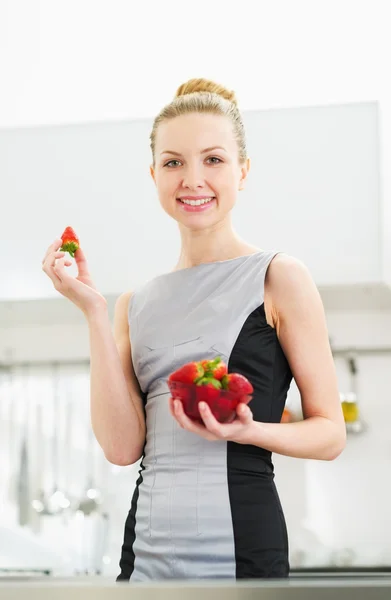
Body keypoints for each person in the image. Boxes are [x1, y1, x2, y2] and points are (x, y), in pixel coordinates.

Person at [41, 77, 346, 581]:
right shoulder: (134, 304)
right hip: (145, 558)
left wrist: (249, 431)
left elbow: (330, 434)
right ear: (154, 174)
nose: (192, 179)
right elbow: (121, 449)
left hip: (243, 550)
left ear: (242, 171)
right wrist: (94, 311)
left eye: (214, 159)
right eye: (174, 162)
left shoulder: (277, 277)